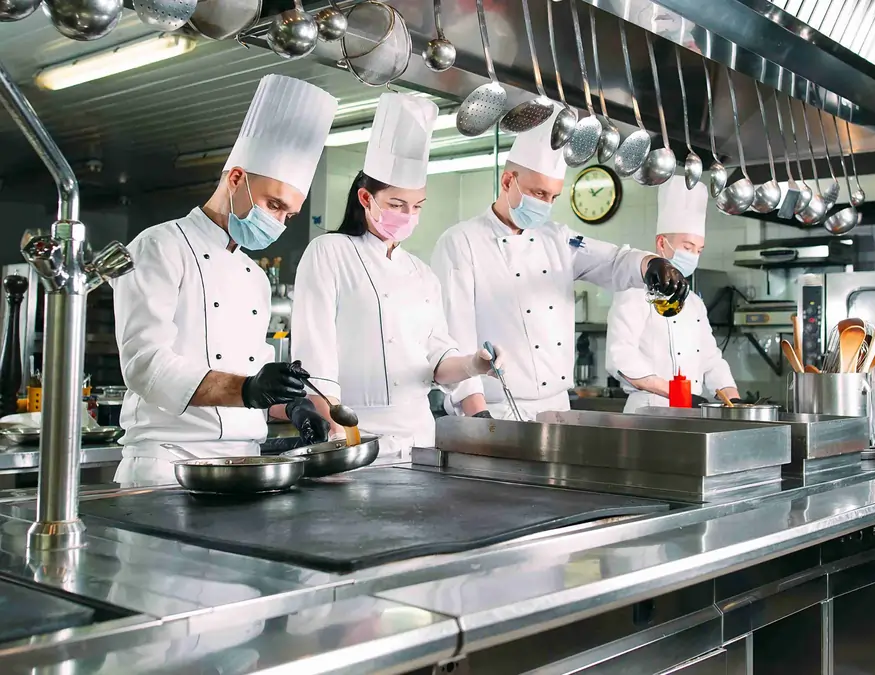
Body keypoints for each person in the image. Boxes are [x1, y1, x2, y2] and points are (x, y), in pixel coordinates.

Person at [111, 75, 337, 486]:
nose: (279, 222)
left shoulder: (255, 277)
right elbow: (145, 365)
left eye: (288, 215)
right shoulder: (160, 246)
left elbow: (246, 378)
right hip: (167, 466)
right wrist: (250, 389)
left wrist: (291, 405)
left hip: (244, 465)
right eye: (274, 204)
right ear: (235, 179)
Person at [290, 93, 504, 460]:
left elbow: (437, 360)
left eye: (416, 207)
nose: (407, 216)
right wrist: (338, 436)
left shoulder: (421, 274)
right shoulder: (329, 252)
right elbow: (315, 361)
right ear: (365, 198)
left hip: (419, 441)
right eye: (396, 205)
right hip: (354, 438)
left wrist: (475, 364)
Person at [430, 118, 690, 420]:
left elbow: (613, 261)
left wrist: (650, 264)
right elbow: (457, 338)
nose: (545, 205)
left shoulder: (558, 238)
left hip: (557, 409)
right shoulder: (462, 242)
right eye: (539, 194)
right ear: (507, 182)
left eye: (553, 197)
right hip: (496, 411)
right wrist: (478, 416)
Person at [606, 176, 739, 412]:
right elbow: (620, 356)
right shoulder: (634, 291)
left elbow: (711, 360)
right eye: (687, 247)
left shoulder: (695, 303)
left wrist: (733, 398)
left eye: (698, 250)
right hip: (647, 413)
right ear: (661, 243)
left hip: (689, 411)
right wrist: (674, 392)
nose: (693, 256)